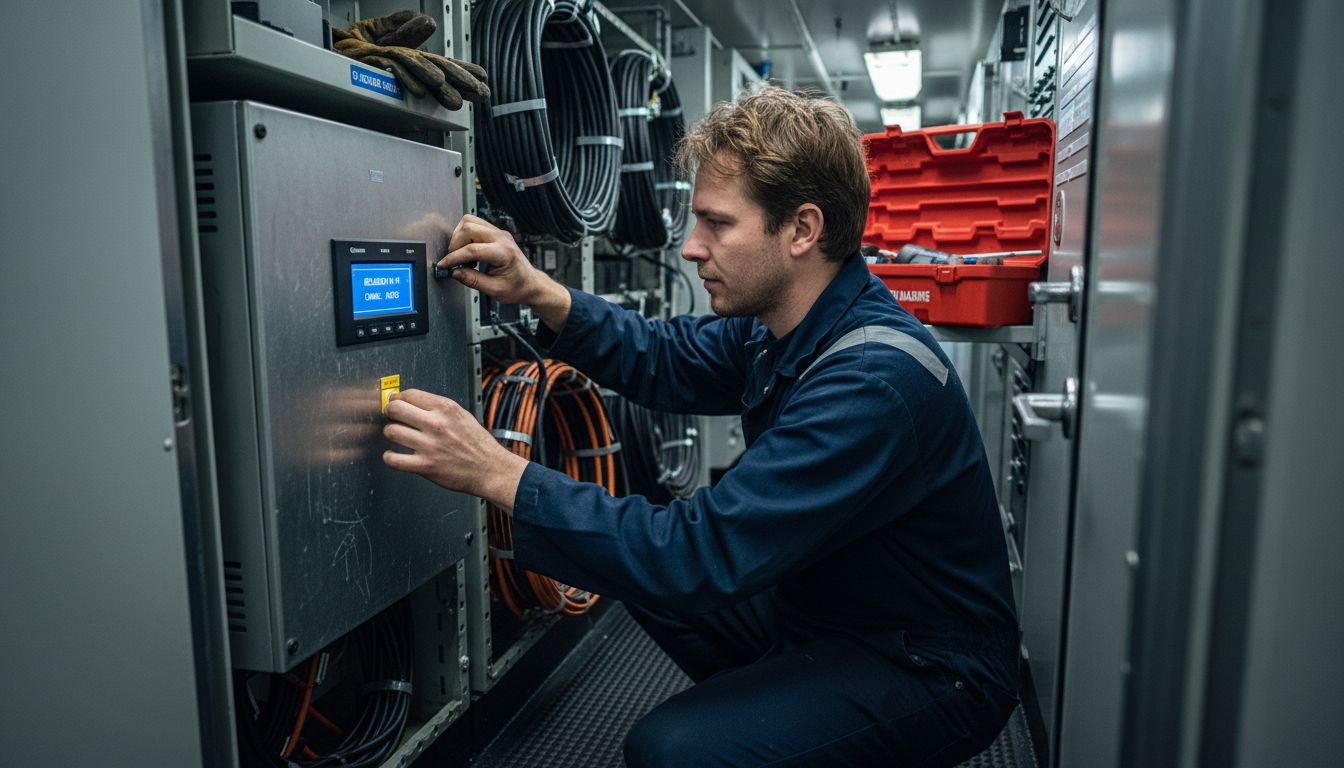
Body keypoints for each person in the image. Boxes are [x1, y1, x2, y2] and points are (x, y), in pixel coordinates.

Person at [381, 85, 1020, 767]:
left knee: (670, 750)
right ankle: (787, 717)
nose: (691, 248)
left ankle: (794, 727)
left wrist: (495, 471)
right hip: (830, 606)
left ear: (802, 230)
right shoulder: (785, 322)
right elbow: (664, 355)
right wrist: (537, 289)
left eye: (718, 224)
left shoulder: (872, 382)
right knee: (636, 563)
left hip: (928, 664)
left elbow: (697, 557)